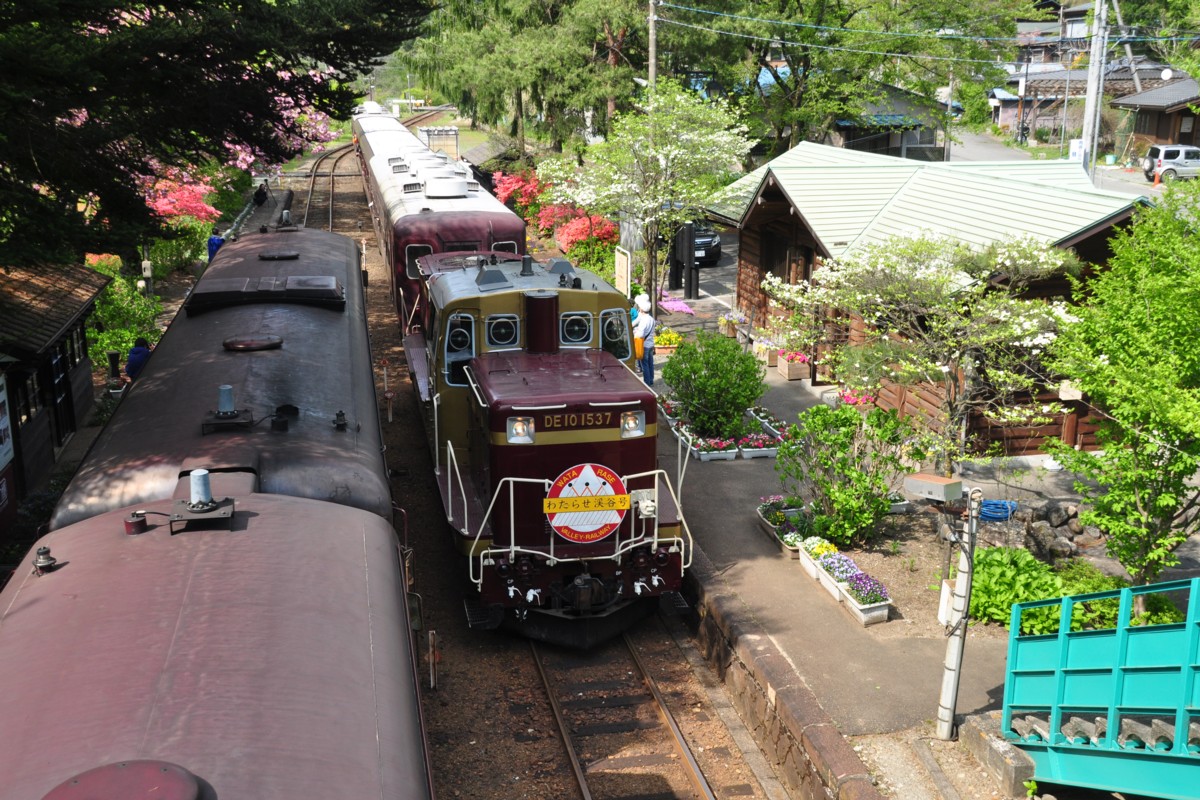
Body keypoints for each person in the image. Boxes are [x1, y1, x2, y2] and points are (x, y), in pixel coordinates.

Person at [631, 293, 656, 386]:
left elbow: (640, 334)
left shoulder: (643, 320)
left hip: (644, 345)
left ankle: (647, 383)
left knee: (644, 364)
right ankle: (651, 380)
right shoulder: (651, 319)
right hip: (650, 344)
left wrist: (635, 332)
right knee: (650, 363)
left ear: (641, 308)